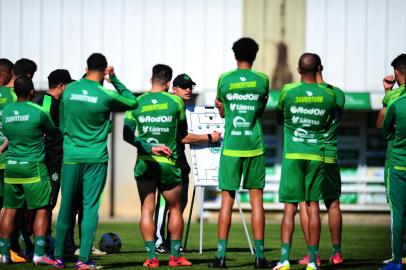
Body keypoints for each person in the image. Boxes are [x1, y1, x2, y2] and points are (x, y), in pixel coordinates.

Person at [54, 53, 140, 269]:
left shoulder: (69, 90)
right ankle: (83, 259)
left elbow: (62, 126)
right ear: (103, 71)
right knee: (90, 207)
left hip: (71, 157)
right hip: (95, 158)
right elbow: (132, 101)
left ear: (86, 67)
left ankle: (57, 257)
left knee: (66, 207)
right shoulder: (104, 94)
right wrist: (115, 79)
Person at [209, 37, 270, 269]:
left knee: (227, 202)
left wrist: (223, 108)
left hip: (232, 146)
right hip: (254, 144)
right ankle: (260, 257)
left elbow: (224, 113)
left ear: (234, 55)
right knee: (257, 202)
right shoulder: (263, 80)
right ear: (255, 56)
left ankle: (221, 257)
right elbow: (259, 111)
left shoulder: (224, 80)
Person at [123, 64, 192, 268]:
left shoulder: (136, 102)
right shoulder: (176, 102)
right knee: (175, 208)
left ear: (151, 79)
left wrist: (147, 146)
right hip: (168, 164)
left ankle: (152, 257)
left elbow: (127, 135)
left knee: (147, 209)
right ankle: (175, 257)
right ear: (169, 83)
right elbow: (181, 133)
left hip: (145, 162)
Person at [273, 53, 337, 270]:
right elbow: (328, 123)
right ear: (317, 69)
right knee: (313, 207)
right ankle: (312, 261)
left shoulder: (288, 91)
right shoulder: (329, 95)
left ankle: (284, 260)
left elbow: (279, 117)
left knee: (290, 208)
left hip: (293, 156)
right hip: (316, 156)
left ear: (299, 70)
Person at [154, 73, 221, 253]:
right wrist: (209, 137)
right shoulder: (171, 107)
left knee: (179, 205)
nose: (189, 89)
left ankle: (171, 242)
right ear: (173, 88)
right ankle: (158, 242)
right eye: (184, 86)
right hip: (168, 162)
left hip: (181, 162)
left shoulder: (183, 108)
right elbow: (182, 137)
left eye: (190, 86)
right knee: (164, 204)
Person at [0, 76, 56, 265]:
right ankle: (39, 253)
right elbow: (51, 131)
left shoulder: (6, 111)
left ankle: (4, 253)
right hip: (33, 167)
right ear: (32, 91)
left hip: (12, 167)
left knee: (9, 210)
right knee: (42, 209)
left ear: (15, 92)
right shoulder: (38, 111)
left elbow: (8, 135)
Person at [297, 54, 345, 266]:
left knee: (308, 204)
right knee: (333, 203)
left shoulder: (304, 96)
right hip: (331, 153)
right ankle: (336, 254)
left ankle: (313, 254)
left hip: (311, 153)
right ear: (321, 67)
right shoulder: (337, 94)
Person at [36, 69, 80, 255]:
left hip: (59, 161)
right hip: (49, 162)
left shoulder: (57, 103)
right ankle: (43, 243)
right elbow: (40, 131)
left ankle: (57, 242)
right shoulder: (47, 102)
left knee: (58, 203)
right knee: (47, 203)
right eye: (68, 84)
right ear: (62, 85)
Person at [0, 58, 37, 263]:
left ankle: (13, 248)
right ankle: (10, 249)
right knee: (12, 208)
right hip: (13, 159)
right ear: (29, 76)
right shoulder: (19, 97)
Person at [379, 53, 406, 270]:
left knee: (397, 213)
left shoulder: (395, 100)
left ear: (397, 73)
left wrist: (388, 91)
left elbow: (382, 127)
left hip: (397, 164)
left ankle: (398, 259)